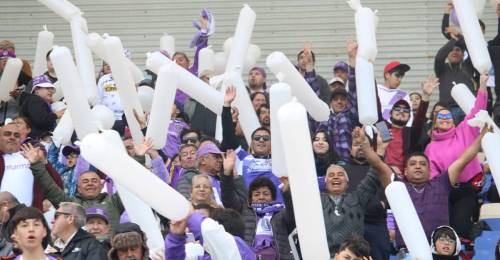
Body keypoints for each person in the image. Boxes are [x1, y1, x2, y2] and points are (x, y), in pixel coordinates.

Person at [357, 123, 489, 250]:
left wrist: (482, 136)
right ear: (405, 171)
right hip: (408, 254)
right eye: (413, 164)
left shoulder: (442, 183)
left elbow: (463, 159)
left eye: (423, 164)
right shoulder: (397, 187)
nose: (418, 166)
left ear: (430, 170)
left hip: (439, 253)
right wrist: (364, 144)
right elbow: (377, 164)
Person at [425, 74, 489, 239]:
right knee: (445, 230)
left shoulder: (464, 129)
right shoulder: (431, 147)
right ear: (435, 121)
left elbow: (478, 108)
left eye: (448, 116)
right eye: (440, 116)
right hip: (443, 191)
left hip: (466, 188)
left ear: (453, 120)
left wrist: (482, 85)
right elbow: (431, 175)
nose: (445, 119)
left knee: (460, 228)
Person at [22, 142, 124, 232]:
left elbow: (131, 183)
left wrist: (140, 157)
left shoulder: (115, 202)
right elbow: (49, 187)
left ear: (101, 186)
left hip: (109, 250)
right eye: (85, 181)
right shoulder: (71, 205)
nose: (90, 183)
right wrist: (35, 164)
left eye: (94, 181)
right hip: (80, 251)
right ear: (78, 188)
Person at [221, 148, 294, 260]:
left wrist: (286, 191)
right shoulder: (244, 210)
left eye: (265, 194)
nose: (261, 197)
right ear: (250, 198)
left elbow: (293, 214)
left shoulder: (281, 213)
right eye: (256, 194)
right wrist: (227, 173)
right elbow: (228, 199)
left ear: (273, 197)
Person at [222, 87, 283, 202]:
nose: (261, 140)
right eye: (257, 138)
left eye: (265, 138)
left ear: (271, 143)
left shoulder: (281, 161)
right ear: (251, 142)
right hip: (249, 211)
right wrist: (226, 106)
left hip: (276, 212)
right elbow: (228, 137)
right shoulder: (242, 157)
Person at [0, 123, 63, 210]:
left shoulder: (32, 156)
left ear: (21, 139)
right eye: (7, 134)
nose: (12, 137)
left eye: (16, 135)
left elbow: (57, 185)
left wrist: (44, 161)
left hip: (29, 218)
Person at [381, 75, 436, 172]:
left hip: (404, 178)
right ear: (390, 113)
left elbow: (419, 120)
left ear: (409, 116)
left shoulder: (409, 134)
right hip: (384, 175)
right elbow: (376, 109)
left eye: (406, 110)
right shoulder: (384, 129)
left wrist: (426, 95)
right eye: (397, 109)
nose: (401, 111)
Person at [317, 40, 358, 162]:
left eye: (342, 99)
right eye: (335, 99)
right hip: (327, 165)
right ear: (330, 103)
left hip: (349, 165)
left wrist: (352, 59)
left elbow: (353, 87)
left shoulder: (351, 115)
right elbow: (313, 95)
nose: (339, 102)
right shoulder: (324, 118)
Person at [175, 141, 247, 204]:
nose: (220, 160)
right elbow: (185, 202)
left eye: (220, 157)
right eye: (216, 157)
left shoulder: (224, 180)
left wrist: (234, 173)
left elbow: (241, 203)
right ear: (203, 160)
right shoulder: (188, 177)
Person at [165, 210, 256, 260]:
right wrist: (175, 238)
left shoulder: (239, 250)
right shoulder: (205, 257)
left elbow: (210, 232)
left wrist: (190, 216)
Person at [434, 26, 476, 123]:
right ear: (447, 54)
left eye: (458, 50)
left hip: (468, 109)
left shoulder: (468, 66)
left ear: (462, 55)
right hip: (448, 111)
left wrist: (459, 36)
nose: (454, 52)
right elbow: (439, 57)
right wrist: (453, 40)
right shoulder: (441, 68)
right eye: (451, 50)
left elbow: (471, 50)